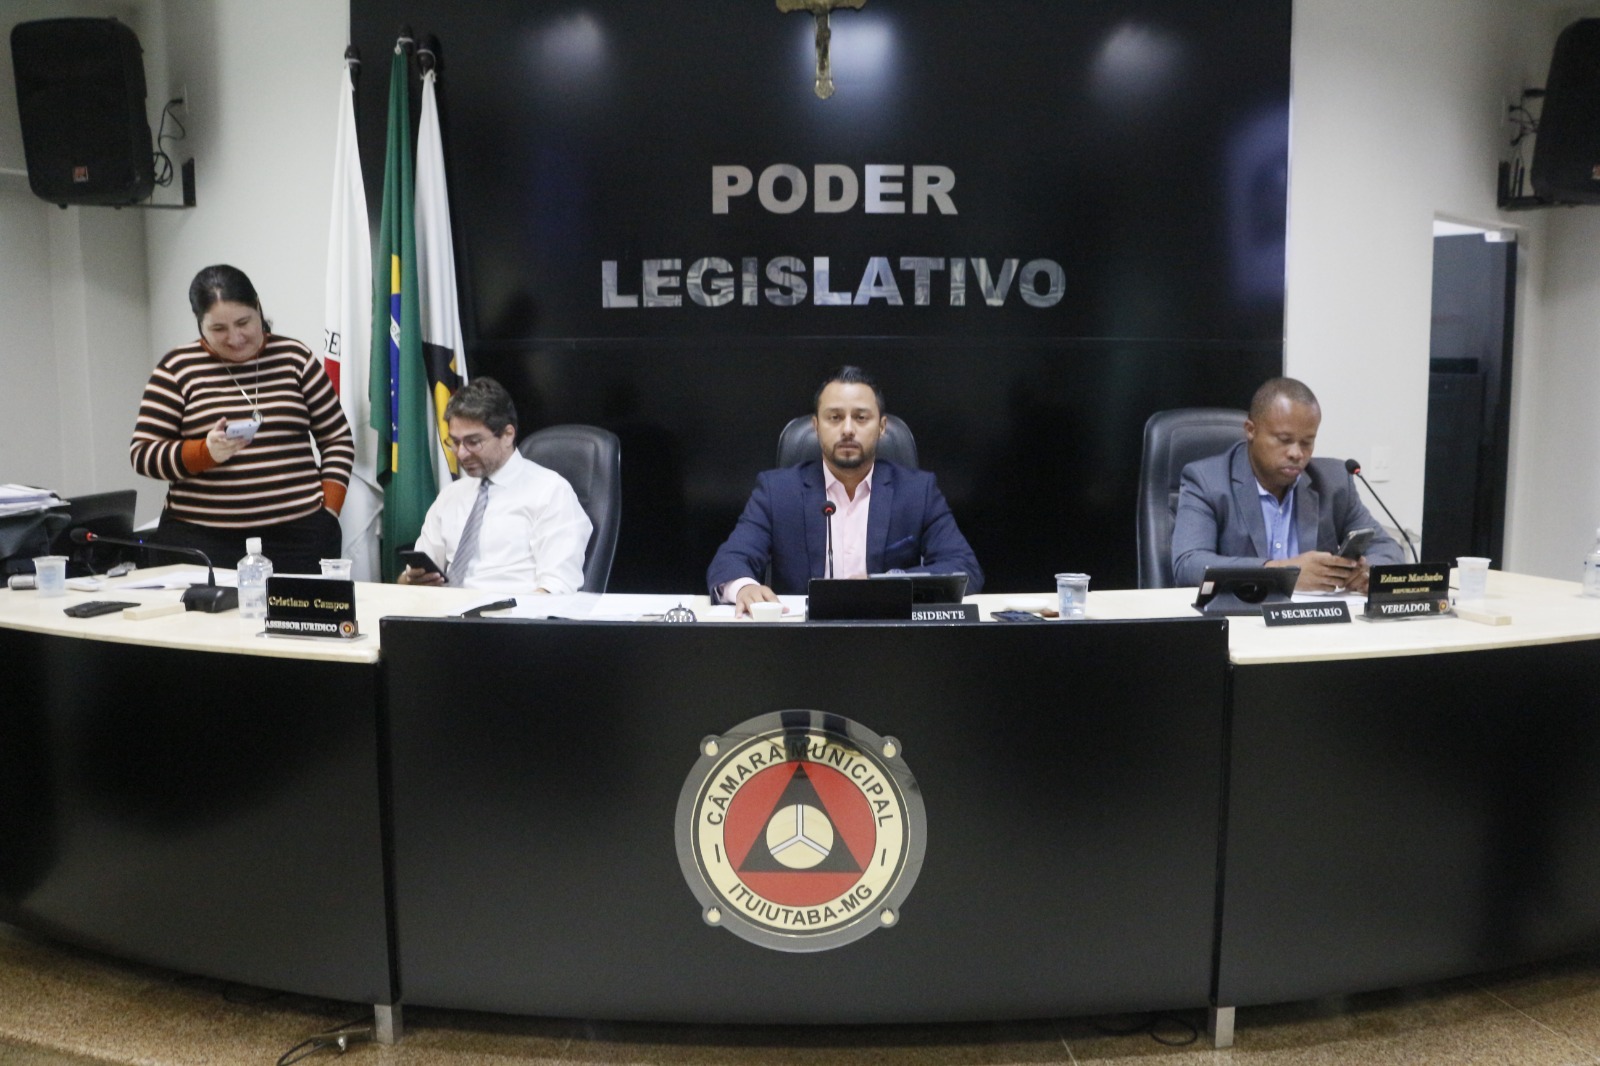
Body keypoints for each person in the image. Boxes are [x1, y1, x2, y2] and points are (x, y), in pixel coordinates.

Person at [129, 264, 353, 574]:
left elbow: (337, 438)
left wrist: (329, 510)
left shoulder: (294, 358)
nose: (235, 338)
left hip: (299, 537)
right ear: (200, 324)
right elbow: (142, 454)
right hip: (201, 540)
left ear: (258, 307)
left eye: (243, 322)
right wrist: (204, 452)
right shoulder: (177, 368)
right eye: (218, 329)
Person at [707, 366, 983, 615]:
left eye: (861, 418)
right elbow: (730, 560)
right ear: (816, 426)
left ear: (882, 427)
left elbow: (964, 568)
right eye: (835, 417)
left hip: (891, 636)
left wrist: (889, 584)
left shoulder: (917, 491)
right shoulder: (777, 491)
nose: (848, 429)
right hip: (799, 641)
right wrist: (743, 587)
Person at [1170, 377, 1403, 592]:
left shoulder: (1335, 482)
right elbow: (1189, 564)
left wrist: (1366, 571)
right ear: (1251, 430)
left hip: (1313, 619)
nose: (1296, 453)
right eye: (1284, 440)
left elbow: (1388, 548)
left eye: (1307, 442)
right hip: (1243, 616)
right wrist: (1283, 573)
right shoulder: (1207, 480)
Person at [399, 377, 591, 594]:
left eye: (473, 442)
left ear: (508, 435)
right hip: (445, 610)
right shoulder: (450, 495)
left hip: (514, 611)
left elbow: (557, 588)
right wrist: (410, 579)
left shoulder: (551, 492)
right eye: (455, 442)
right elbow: (411, 576)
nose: (461, 453)